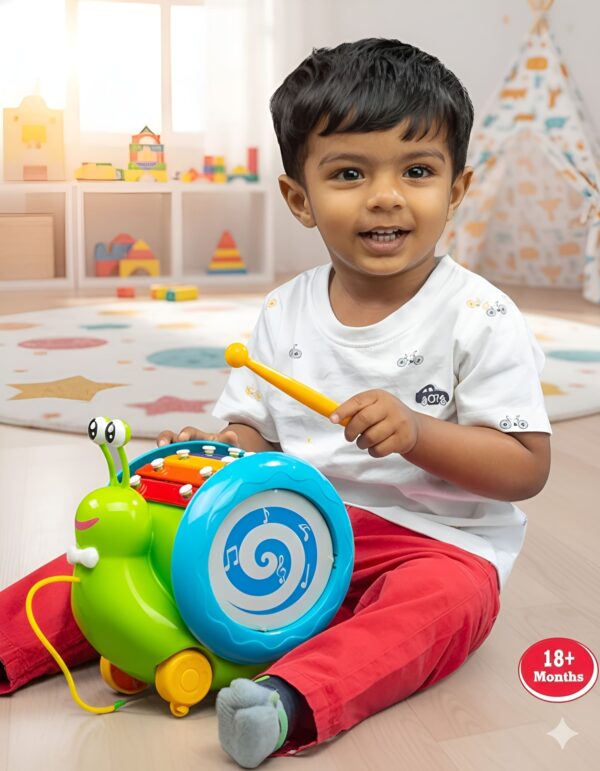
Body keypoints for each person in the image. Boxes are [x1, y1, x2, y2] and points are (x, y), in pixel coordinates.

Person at [0, 37, 551, 769]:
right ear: (300, 199)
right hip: (288, 530)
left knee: (447, 601)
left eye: (417, 171)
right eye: (349, 173)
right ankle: (10, 638)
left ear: (455, 190)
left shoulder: (481, 316)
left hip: (431, 541)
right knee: (118, 546)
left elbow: (525, 467)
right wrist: (220, 451)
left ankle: (288, 698)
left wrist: (419, 432)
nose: (386, 196)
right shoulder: (283, 310)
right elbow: (253, 431)